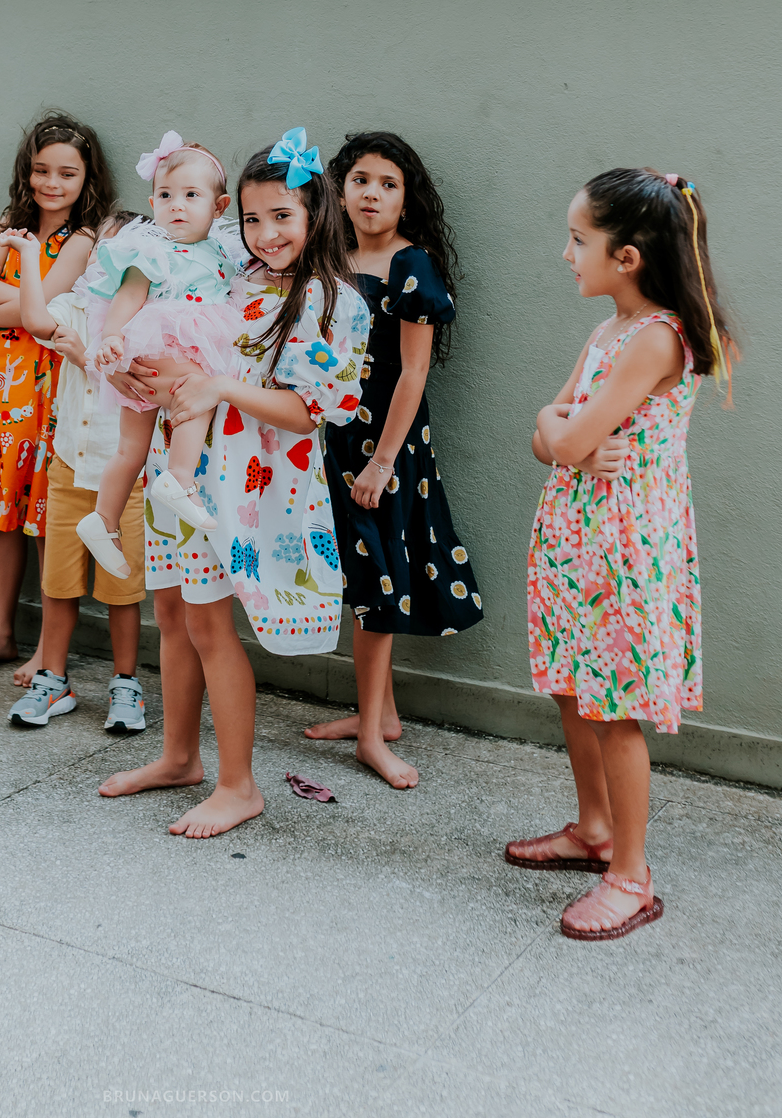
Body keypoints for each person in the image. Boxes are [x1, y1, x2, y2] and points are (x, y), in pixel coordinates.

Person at [100, 128, 369, 840]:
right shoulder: (229, 276)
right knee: (175, 617)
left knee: (212, 627)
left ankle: (237, 785)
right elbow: (176, 348)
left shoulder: (333, 300)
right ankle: (179, 757)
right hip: (182, 472)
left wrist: (220, 386)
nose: (265, 232)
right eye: (252, 218)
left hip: (248, 489)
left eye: (282, 215)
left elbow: (313, 414)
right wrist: (135, 370)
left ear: (318, 214)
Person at [505, 169, 734, 942]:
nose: (566, 253)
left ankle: (631, 874)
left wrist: (561, 430)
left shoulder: (659, 338)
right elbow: (548, 443)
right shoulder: (605, 332)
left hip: (625, 548)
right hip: (576, 540)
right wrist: (559, 431)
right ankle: (593, 829)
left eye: (579, 240)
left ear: (628, 256)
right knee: (573, 691)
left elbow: (561, 434)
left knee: (617, 710)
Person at [311, 132, 482, 789]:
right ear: (339, 190)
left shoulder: (414, 266)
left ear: (406, 198)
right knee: (362, 577)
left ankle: (371, 733)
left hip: (387, 448)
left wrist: (382, 462)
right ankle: (378, 718)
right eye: (360, 180)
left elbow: (413, 375)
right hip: (334, 441)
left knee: (379, 583)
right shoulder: (329, 257)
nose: (372, 194)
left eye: (388, 183)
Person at [0, 115, 113, 681]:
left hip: (51, 389)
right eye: (42, 170)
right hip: (0, 390)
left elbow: (38, 312)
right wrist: (13, 304)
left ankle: (50, 649)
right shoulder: (12, 223)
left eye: (66, 173)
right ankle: (0, 632)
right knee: (3, 516)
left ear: (85, 177)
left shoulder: (85, 238)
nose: (52, 182)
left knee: (46, 517)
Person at [4, 210, 149, 730]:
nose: (103, 258)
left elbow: (135, 384)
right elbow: (37, 321)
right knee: (58, 583)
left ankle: (126, 685)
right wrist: (24, 257)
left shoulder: (150, 318)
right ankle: (53, 680)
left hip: (127, 479)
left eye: (118, 250)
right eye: (99, 249)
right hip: (69, 466)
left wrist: (85, 354)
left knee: (121, 588)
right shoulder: (76, 305)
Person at [77, 131, 239, 578]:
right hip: (158, 344)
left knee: (131, 446)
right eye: (165, 195)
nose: (177, 205)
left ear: (219, 206)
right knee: (192, 398)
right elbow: (129, 295)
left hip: (167, 349)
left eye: (191, 195)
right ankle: (179, 479)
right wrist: (112, 336)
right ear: (152, 202)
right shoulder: (151, 247)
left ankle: (102, 520)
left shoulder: (222, 250)